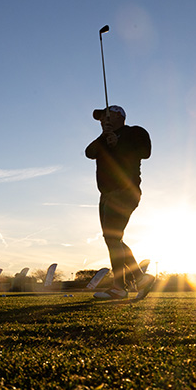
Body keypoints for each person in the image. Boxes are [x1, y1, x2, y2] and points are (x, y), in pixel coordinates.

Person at [85, 105, 155, 300]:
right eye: (100, 119)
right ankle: (140, 279)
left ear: (119, 116)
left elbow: (145, 152)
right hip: (106, 195)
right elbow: (89, 152)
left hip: (125, 191)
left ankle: (119, 287)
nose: (103, 120)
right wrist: (105, 137)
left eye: (107, 116)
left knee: (112, 237)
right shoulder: (102, 141)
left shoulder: (135, 132)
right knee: (113, 239)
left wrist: (118, 143)